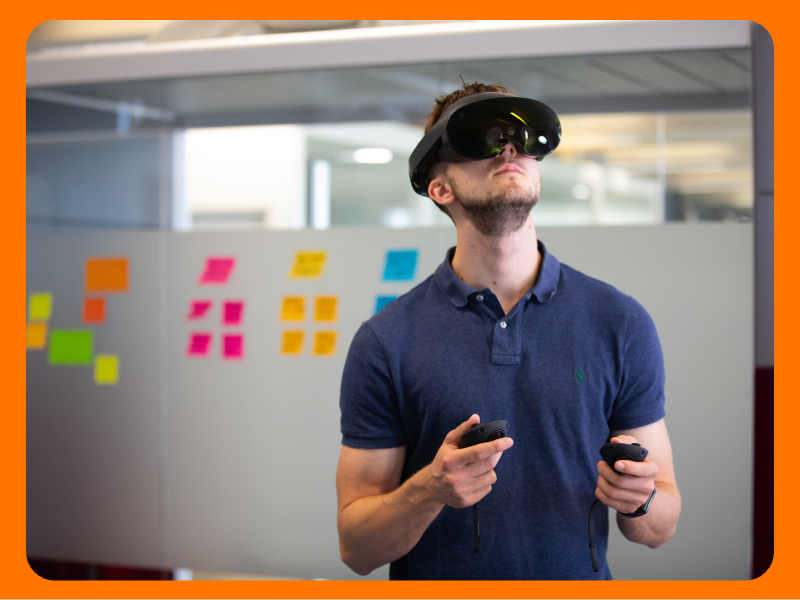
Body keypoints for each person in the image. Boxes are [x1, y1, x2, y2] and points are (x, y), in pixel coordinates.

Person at [336, 81, 681, 580]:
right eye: (481, 138)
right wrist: (429, 489)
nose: (510, 148)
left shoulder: (620, 322)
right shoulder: (387, 340)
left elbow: (660, 525)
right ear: (441, 188)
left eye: (523, 136)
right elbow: (357, 548)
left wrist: (641, 499)